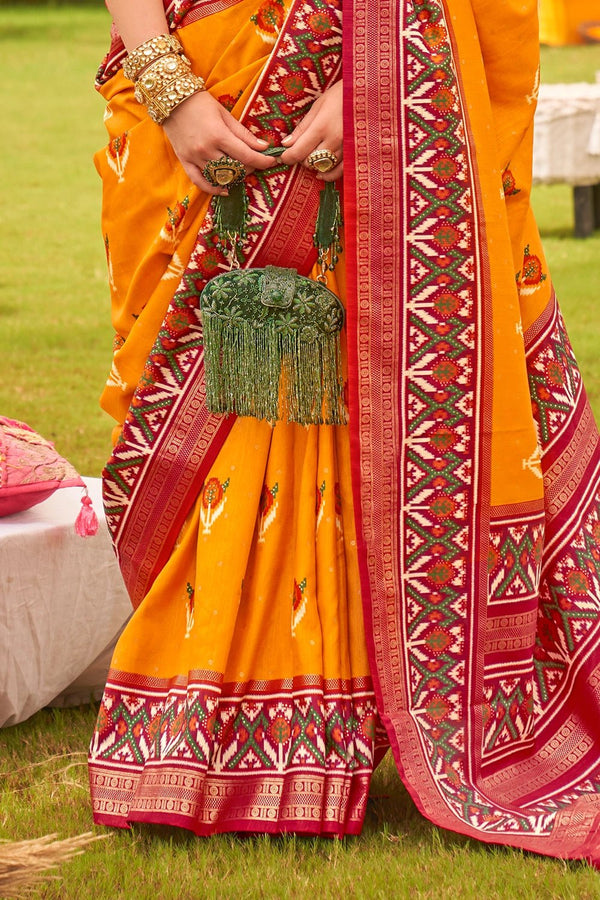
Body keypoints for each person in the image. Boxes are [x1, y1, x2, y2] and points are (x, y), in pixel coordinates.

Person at [89, 0, 600, 866]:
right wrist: (169, 85)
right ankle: (204, 712)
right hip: (191, 58)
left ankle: (323, 722)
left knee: (361, 388)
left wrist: (376, 87)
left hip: (375, 63)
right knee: (202, 398)